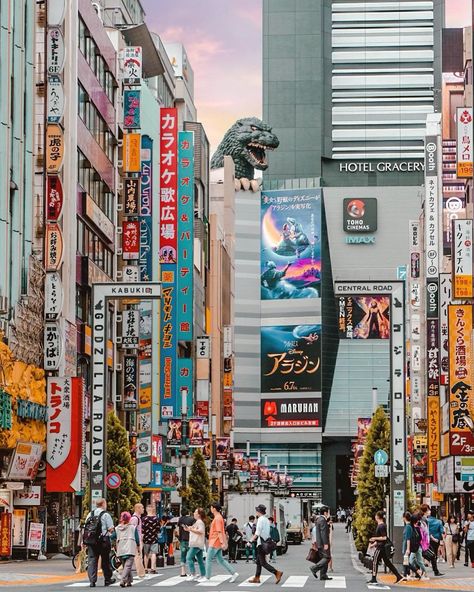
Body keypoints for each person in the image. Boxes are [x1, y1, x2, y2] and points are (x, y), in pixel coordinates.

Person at [83, 498, 116, 588]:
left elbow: (86, 527)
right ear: (103, 504)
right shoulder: (105, 515)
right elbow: (111, 528)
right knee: (105, 560)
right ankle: (107, 579)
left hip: (92, 541)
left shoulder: (90, 514)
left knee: (92, 560)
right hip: (103, 540)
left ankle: (92, 581)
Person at [248, 504, 283, 584]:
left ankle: (277, 572)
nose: (256, 512)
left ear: (259, 511)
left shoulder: (260, 520)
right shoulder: (266, 520)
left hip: (261, 544)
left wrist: (250, 541)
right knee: (258, 561)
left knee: (262, 562)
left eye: (257, 510)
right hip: (265, 542)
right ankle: (257, 578)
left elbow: (257, 532)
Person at [368, 511, 405, 585]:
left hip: (380, 548)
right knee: (388, 563)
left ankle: (374, 578)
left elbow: (384, 537)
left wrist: (374, 538)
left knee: (375, 561)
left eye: (376, 515)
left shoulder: (381, 526)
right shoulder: (382, 525)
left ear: (377, 517)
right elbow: (383, 538)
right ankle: (399, 576)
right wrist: (374, 543)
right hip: (382, 546)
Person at [204, 502, 239, 583]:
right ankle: (233, 573)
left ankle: (207, 577)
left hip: (215, 541)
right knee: (221, 560)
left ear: (214, 509)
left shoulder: (217, 518)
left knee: (208, 559)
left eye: (211, 507)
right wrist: (222, 542)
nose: (210, 509)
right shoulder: (219, 517)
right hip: (217, 541)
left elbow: (219, 531)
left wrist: (222, 542)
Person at [114, 511, 140, 588]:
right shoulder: (132, 528)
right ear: (129, 519)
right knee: (128, 566)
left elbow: (112, 536)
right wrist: (138, 546)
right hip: (130, 548)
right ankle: (123, 580)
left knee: (126, 565)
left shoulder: (117, 528)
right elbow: (137, 538)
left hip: (121, 549)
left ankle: (129, 581)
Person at [420, 504, 443, 576]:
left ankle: (434, 571)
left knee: (430, 556)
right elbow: (424, 531)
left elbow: (426, 532)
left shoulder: (425, 519)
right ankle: (418, 572)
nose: (429, 511)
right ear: (425, 511)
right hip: (424, 543)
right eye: (428, 510)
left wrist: (432, 538)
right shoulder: (423, 519)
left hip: (425, 542)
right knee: (431, 555)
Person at [309, 506, 331, 581]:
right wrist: (325, 543)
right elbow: (323, 533)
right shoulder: (322, 520)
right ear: (325, 512)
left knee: (323, 558)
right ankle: (314, 568)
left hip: (319, 542)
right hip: (323, 543)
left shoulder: (319, 519)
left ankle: (323, 575)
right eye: (328, 512)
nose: (328, 514)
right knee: (327, 557)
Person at [185, 508, 207, 582]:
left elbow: (200, 531)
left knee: (188, 557)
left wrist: (191, 529)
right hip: (198, 543)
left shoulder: (199, 522)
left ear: (199, 514)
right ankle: (203, 575)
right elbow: (196, 530)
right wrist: (189, 529)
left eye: (195, 512)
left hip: (196, 543)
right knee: (200, 560)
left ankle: (193, 574)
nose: (194, 513)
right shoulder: (198, 522)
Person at [405, 512, 428, 581]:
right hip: (417, 546)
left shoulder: (410, 527)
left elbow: (408, 539)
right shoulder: (417, 528)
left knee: (411, 561)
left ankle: (417, 573)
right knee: (417, 561)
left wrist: (408, 549)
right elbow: (421, 537)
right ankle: (415, 573)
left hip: (414, 548)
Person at [142, 505, 161, 574]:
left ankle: (145, 568)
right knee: (153, 553)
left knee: (146, 554)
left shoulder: (144, 519)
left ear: (147, 510)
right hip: (154, 538)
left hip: (146, 539)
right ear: (152, 510)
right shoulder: (156, 519)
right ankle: (153, 568)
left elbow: (142, 530)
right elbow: (159, 529)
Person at [178, 509, 195, 576]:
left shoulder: (180, 519)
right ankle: (192, 572)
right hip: (190, 539)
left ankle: (183, 572)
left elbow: (178, 527)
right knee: (191, 556)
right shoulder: (192, 519)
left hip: (182, 539)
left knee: (183, 555)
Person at [130, 503, 145, 578]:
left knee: (136, 557)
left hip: (138, 539)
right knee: (138, 556)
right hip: (136, 540)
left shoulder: (138, 518)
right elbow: (132, 530)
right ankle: (141, 574)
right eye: (142, 508)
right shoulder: (135, 518)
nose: (143, 509)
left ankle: (119, 570)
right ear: (138, 508)